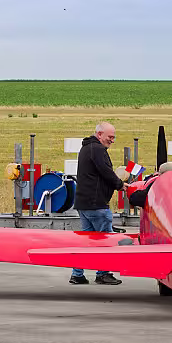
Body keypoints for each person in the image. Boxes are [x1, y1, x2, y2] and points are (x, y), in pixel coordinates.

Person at [70, 122, 127, 285]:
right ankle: (103, 273)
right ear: (100, 134)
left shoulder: (86, 148)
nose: (112, 140)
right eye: (110, 137)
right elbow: (106, 172)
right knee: (104, 240)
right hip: (96, 204)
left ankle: (77, 274)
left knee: (86, 241)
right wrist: (120, 185)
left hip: (83, 203)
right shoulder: (98, 150)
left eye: (114, 137)